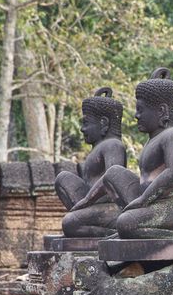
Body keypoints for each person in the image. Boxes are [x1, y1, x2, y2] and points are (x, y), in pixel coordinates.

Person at [71, 68, 173, 239]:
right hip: (153, 202)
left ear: (161, 111)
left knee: (125, 223)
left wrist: (144, 199)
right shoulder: (153, 140)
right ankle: (125, 230)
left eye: (140, 110)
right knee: (114, 173)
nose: (136, 116)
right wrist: (87, 200)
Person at [54, 88, 126, 237]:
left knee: (69, 223)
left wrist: (88, 199)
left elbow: (113, 180)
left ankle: (112, 233)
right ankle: (84, 222)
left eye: (86, 123)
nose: (82, 129)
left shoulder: (113, 145)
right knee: (63, 178)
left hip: (110, 207)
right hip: (94, 205)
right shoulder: (99, 148)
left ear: (103, 123)